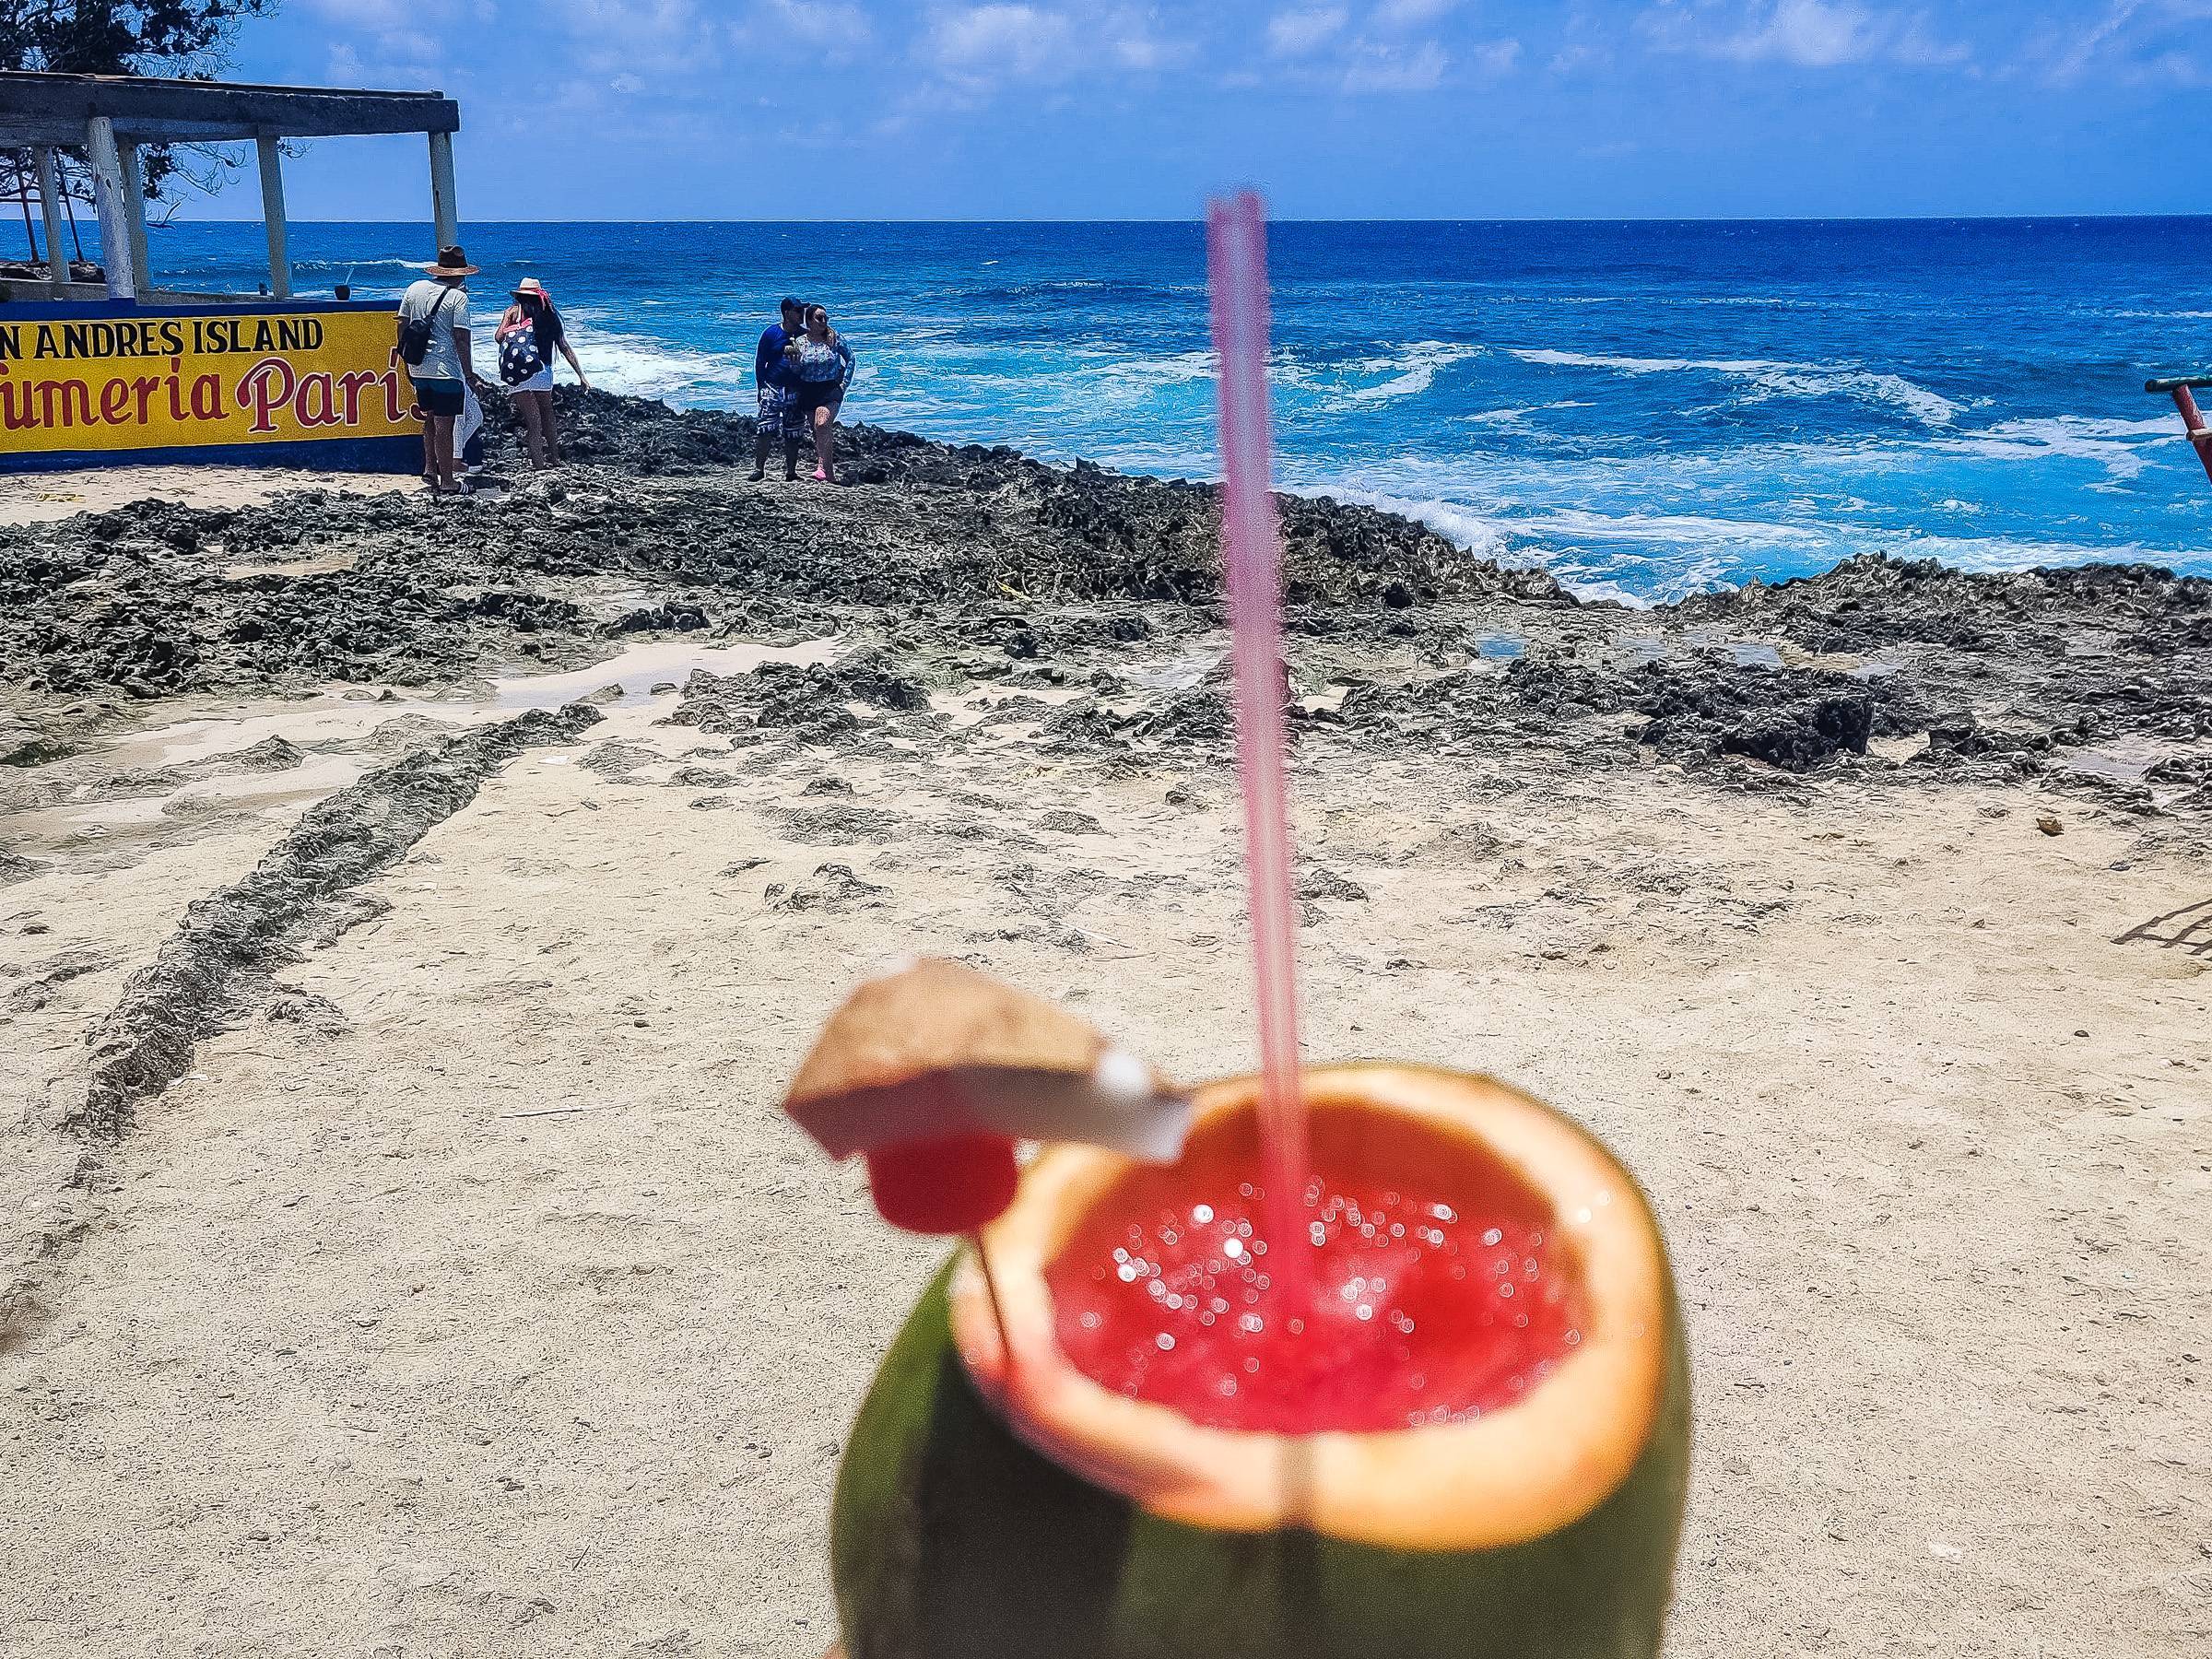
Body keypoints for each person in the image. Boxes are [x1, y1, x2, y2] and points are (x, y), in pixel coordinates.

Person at [395, 245, 490, 495]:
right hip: (445, 370)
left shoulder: (414, 289)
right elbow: (461, 338)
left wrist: (406, 360)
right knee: (445, 426)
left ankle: (429, 468)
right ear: (462, 273)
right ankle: (448, 481)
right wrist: (470, 376)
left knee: (429, 418)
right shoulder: (458, 298)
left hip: (418, 367)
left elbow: (402, 326)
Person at [497, 276, 590, 468]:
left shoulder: (514, 311)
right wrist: (581, 375)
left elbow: (498, 337)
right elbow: (564, 346)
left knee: (533, 423)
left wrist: (508, 320)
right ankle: (554, 458)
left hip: (518, 373)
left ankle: (539, 465)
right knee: (547, 413)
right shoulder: (550, 314)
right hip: (543, 371)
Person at [787, 302, 855, 483]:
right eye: (819, 318)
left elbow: (851, 358)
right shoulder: (799, 342)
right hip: (808, 389)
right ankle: (829, 474)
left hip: (830, 388)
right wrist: (793, 364)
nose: (823, 321)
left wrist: (844, 384)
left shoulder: (834, 338)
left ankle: (822, 469)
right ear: (809, 321)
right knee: (818, 431)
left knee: (823, 423)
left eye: (826, 318)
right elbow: (796, 371)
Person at [753, 295, 806, 481]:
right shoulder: (771, 333)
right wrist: (760, 387)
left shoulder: (804, 336)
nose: (802, 314)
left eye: (802, 310)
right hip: (772, 386)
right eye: (798, 311)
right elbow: (760, 361)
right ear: (786, 313)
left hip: (795, 389)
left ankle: (791, 472)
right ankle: (759, 469)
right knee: (765, 429)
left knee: (794, 432)